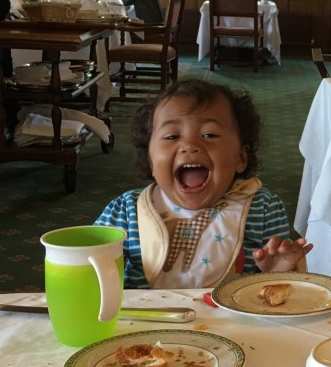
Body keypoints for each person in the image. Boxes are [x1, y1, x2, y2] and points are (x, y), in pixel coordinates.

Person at [95, 80, 312, 289]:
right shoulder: (125, 211)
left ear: (240, 158)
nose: (190, 144)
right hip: (146, 314)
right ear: (151, 160)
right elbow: (87, 265)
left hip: (231, 315)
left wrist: (275, 274)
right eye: (171, 136)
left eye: (209, 134)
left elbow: (274, 291)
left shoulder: (263, 208)